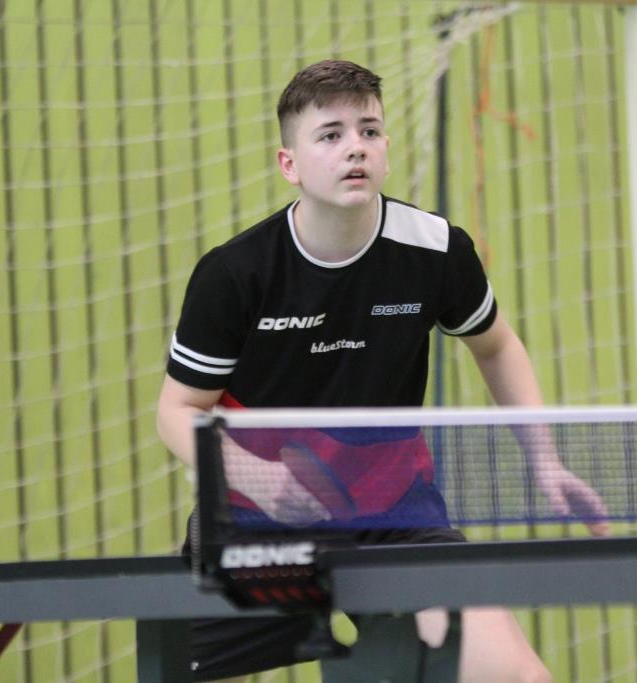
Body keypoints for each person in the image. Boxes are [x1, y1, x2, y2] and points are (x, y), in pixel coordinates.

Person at [156, 59, 609, 683]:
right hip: (259, 518)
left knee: (520, 679)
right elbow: (177, 411)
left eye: (369, 130)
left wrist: (545, 460)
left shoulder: (435, 250)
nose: (355, 148)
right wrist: (258, 478)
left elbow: (497, 346)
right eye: (331, 134)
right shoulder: (235, 275)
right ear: (289, 164)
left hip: (394, 515)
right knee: (173, 670)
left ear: (387, 149)